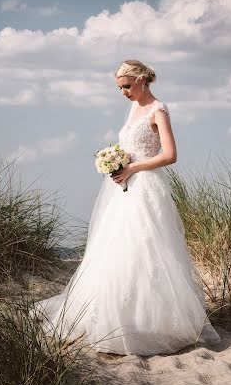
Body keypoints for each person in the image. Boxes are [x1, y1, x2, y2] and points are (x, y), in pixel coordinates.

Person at [29, 60, 221, 355]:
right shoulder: (133, 109)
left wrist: (133, 167)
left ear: (143, 80)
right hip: (123, 190)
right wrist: (116, 161)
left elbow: (170, 155)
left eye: (127, 86)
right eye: (120, 88)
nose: (124, 93)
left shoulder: (159, 110)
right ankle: (114, 318)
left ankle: (155, 323)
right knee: (115, 249)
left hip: (147, 188)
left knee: (148, 249)